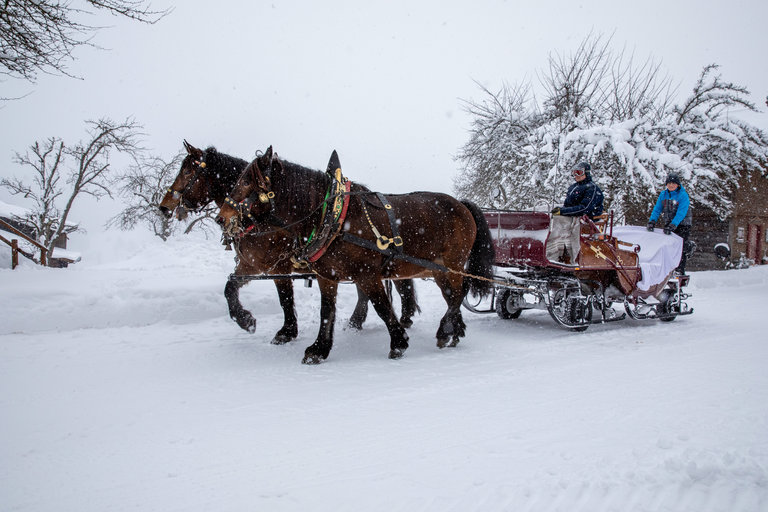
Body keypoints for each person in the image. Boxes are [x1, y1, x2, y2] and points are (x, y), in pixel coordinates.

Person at [547, 162, 605, 263]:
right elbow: (568, 205)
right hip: (572, 215)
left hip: (585, 218)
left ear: (586, 173)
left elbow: (584, 208)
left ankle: (555, 252)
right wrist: (561, 210)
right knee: (547, 213)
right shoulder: (574, 187)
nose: (576, 175)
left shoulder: (592, 188)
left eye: (579, 172)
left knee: (555, 220)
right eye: (574, 173)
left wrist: (562, 211)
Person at [647, 172, 692, 274]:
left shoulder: (682, 195)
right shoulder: (663, 194)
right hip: (670, 222)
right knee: (668, 246)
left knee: (680, 247)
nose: (671, 185)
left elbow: (681, 212)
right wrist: (652, 221)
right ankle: (668, 269)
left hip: (683, 224)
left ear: (678, 185)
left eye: (673, 183)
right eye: (669, 183)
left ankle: (679, 270)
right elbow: (657, 209)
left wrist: (673, 224)